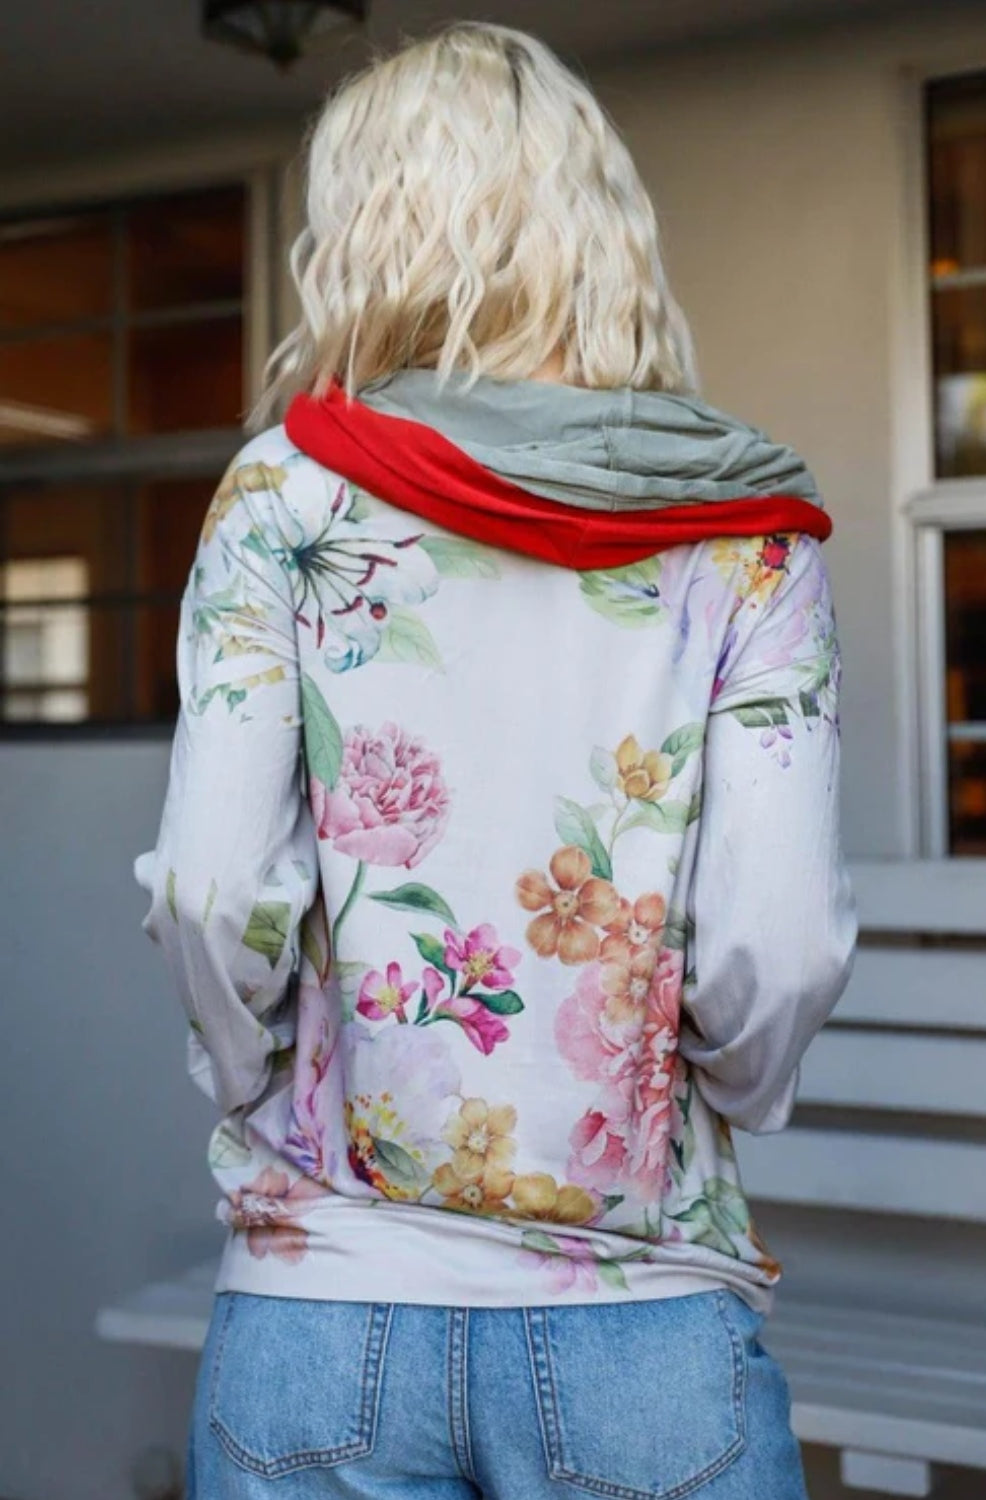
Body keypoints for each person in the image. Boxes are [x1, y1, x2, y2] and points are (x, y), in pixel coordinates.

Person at [135, 21, 857, 1499]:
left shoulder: (281, 493)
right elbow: (775, 953)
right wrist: (703, 1097)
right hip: (643, 1328)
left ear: (364, 231)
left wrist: (254, 1076)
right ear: (603, 227)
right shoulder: (751, 530)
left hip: (317, 1310)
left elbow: (212, 891)